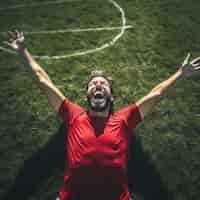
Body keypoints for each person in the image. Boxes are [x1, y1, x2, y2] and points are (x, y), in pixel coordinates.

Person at [3, 30, 200, 200]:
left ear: (112, 96)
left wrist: (181, 74)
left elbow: (156, 94)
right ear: (86, 95)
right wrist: (22, 51)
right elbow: (43, 80)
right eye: (93, 84)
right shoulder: (73, 115)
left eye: (103, 83)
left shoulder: (124, 119)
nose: (98, 85)